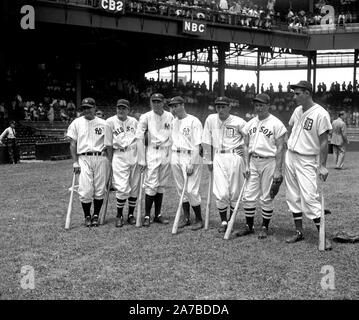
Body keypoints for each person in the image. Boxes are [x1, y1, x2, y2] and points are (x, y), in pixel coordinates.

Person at [284, 81, 332, 250]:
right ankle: (298, 232)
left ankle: (323, 237)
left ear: (307, 93)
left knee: (310, 197)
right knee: (292, 195)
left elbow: (324, 141)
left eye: (297, 93)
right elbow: (291, 128)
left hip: (307, 158)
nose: (294, 96)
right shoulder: (297, 110)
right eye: (294, 93)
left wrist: (323, 165)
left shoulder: (321, 113)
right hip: (291, 155)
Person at [235, 93, 287, 239]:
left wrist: (278, 169)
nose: (258, 108)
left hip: (269, 161)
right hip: (253, 161)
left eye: (261, 105)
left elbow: (280, 148)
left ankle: (264, 227)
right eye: (256, 105)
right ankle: (249, 226)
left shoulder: (276, 123)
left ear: (268, 106)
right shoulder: (250, 123)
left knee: (266, 197)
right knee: (248, 195)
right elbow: (245, 145)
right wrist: (246, 165)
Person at [202, 96, 248, 233]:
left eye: (223, 106)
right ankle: (223, 221)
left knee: (234, 191)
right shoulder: (210, 119)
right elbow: (206, 140)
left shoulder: (239, 121)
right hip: (218, 157)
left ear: (229, 107)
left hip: (234, 157)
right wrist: (208, 160)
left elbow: (249, 139)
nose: (220, 109)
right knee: (221, 192)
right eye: (218, 107)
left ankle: (231, 219)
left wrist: (243, 147)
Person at [66, 98, 110, 227]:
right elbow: (72, 144)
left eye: (89, 107)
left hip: (101, 158)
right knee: (85, 189)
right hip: (83, 157)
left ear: (94, 108)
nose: (87, 110)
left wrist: (108, 154)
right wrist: (75, 162)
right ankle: (87, 216)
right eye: (84, 108)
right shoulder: (76, 122)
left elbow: (109, 142)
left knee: (100, 188)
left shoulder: (104, 123)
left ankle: (96, 215)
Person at [136, 93, 173, 227]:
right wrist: (141, 158)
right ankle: (147, 215)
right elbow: (139, 137)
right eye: (153, 101)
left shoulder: (170, 116)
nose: (156, 103)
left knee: (161, 184)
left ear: (163, 102)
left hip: (166, 150)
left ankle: (157, 215)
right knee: (151, 184)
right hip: (152, 150)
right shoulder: (146, 116)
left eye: (158, 101)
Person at [168, 96, 204, 231]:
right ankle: (187, 218)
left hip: (190, 156)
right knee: (180, 188)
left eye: (176, 105)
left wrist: (192, 164)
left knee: (191, 190)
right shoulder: (173, 122)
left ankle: (199, 219)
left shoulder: (194, 121)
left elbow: (197, 145)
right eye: (172, 106)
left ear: (183, 105)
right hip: (176, 155)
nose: (174, 108)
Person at [105, 99, 140, 227]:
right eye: (119, 107)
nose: (121, 110)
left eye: (124, 108)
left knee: (134, 185)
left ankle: (131, 214)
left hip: (133, 152)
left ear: (128, 110)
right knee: (122, 186)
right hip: (119, 154)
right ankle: (119, 215)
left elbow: (139, 140)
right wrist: (110, 160)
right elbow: (108, 144)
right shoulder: (110, 122)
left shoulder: (134, 122)